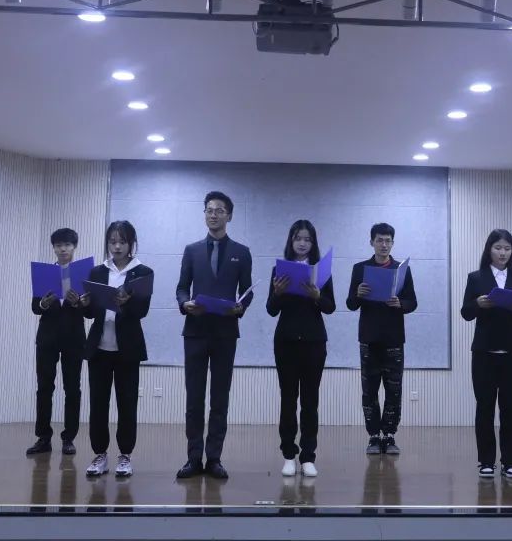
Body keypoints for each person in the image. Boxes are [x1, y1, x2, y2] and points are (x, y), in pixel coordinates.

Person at [175, 191, 253, 480]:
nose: (213, 215)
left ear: (229, 215)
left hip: (225, 333)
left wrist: (241, 306)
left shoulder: (241, 252)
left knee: (220, 399)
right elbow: (182, 287)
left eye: (219, 210)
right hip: (195, 332)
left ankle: (215, 458)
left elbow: (247, 291)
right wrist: (184, 303)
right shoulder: (191, 250)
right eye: (209, 210)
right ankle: (193, 458)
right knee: (194, 399)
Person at [81, 220, 153, 478]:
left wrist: (126, 303)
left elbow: (142, 311)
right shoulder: (98, 271)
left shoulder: (143, 272)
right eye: (112, 241)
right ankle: (100, 455)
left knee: (127, 404)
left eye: (122, 241)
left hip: (128, 349)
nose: (117, 246)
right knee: (98, 404)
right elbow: (91, 312)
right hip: (99, 348)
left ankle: (125, 456)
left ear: (131, 243)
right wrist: (85, 304)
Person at [266, 220, 336, 478]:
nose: (303, 243)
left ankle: (308, 456)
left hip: (314, 342)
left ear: (313, 242)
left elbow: (331, 307)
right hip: (285, 342)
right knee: (288, 399)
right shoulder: (279, 270)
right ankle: (288, 455)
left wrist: (317, 296)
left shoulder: (321, 272)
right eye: (298, 238)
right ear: (291, 241)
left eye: (307, 239)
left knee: (310, 401)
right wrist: (277, 293)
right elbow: (271, 309)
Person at [460, 229, 512, 479]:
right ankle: (486, 461)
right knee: (485, 407)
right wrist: (477, 304)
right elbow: (466, 312)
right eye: (498, 247)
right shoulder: (476, 277)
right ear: (489, 249)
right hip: (484, 352)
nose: (503, 253)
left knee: (510, 409)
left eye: (507, 248)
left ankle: (510, 461)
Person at [346, 222, 417, 456]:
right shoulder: (360, 269)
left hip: (394, 339)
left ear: (392, 243)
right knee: (369, 391)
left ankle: (389, 434)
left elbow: (412, 302)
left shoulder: (401, 269)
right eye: (379, 240)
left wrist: (400, 303)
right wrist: (358, 294)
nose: (384, 245)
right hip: (369, 338)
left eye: (388, 241)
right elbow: (350, 304)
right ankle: (373, 436)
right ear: (372, 242)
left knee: (394, 390)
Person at [26, 228, 87, 456]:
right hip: (47, 338)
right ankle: (43, 437)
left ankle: (69, 438)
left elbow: (90, 311)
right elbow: (35, 307)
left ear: (74, 247)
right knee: (44, 388)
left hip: (74, 338)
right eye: (59, 245)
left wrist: (78, 302)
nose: (63, 249)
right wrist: (44, 302)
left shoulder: (83, 274)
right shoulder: (44, 273)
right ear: (53, 248)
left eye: (67, 245)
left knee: (72, 389)